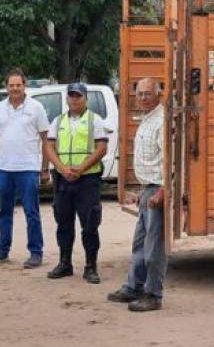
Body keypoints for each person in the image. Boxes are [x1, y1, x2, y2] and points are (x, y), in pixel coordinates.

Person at [107, 77, 166, 311]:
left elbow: (172, 163)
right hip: (147, 190)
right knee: (140, 244)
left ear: (158, 94)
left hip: (157, 192)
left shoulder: (161, 121)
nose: (142, 98)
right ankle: (134, 287)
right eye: (139, 93)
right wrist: (143, 192)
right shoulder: (147, 120)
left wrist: (161, 192)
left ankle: (153, 295)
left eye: (147, 93)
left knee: (154, 248)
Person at [0, 68, 51, 268]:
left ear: (25, 85)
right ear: (6, 87)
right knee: (4, 211)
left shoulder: (36, 107)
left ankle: (36, 252)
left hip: (28, 169)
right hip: (4, 169)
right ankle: (2, 250)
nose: (15, 89)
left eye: (18, 85)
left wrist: (45, 168)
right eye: (11, 85)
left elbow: (45, 139)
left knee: (32, 212)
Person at [45, 82, 108, 284]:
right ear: (66, 98)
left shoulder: (94, 120)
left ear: (85, 98)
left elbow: (101, 148)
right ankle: (65, 263)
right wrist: (62, 169)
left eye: (78, 96)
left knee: (90, 223)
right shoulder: (58, 121)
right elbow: (49, 147)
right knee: (63, 222)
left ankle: (91, 267)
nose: (74, 99)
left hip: (87, 179)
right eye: (71, 95)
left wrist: (80, 169)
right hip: (63, 179)